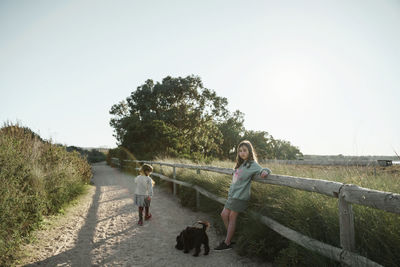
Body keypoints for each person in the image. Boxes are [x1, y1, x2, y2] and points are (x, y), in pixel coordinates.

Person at [214, 140, 271, 251]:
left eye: (244, 150)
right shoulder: (241, 164)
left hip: (240, 197)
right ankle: (230, 235)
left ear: (249, 151)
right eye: (240, 151)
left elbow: (263, 169)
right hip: (232, 196)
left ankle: (227, 242)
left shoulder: (252, 164)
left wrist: (266, 172)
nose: (242, 153)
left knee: (231, 217)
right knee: (224, 215)